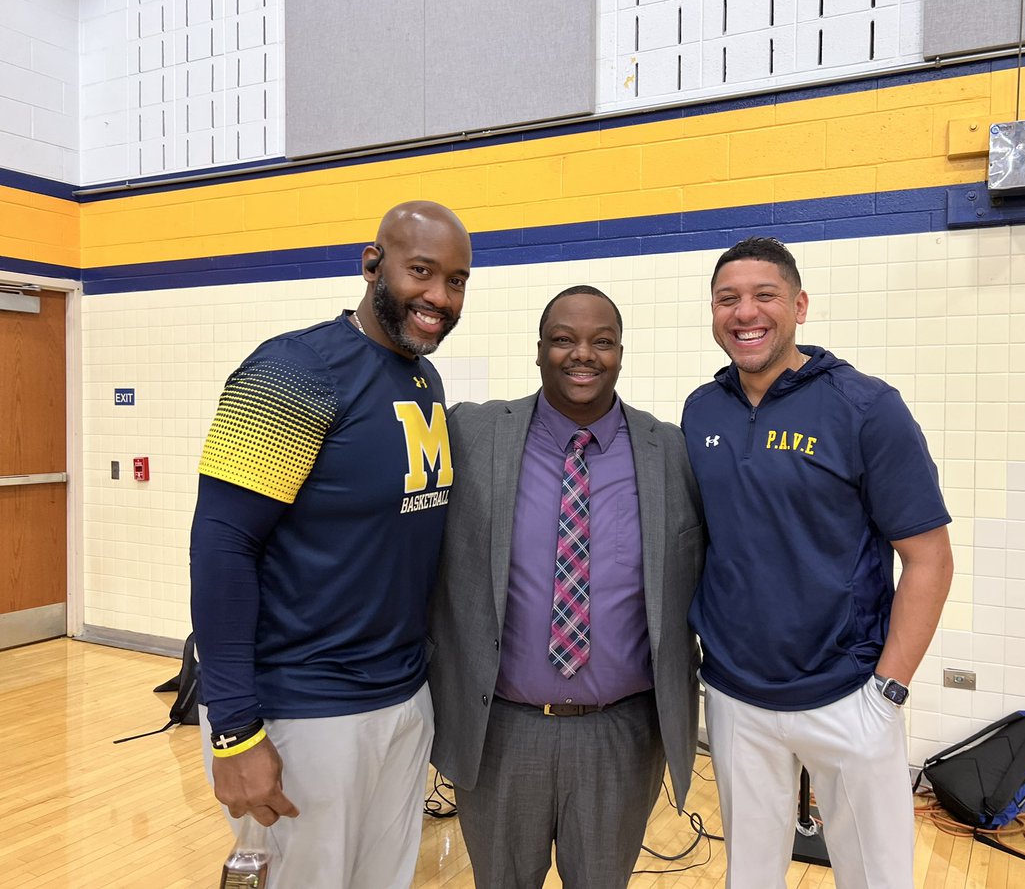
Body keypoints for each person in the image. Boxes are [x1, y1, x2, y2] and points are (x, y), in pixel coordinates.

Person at [189, 200, 472, 888]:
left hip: (401, 699)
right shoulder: (294, 369)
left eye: (457, 280)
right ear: (372, 263)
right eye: (421, 271)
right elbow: (221, 548)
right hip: (302, 711)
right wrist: (234, 730)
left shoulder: (422, 377)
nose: (439, 296)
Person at [682, 237, 954, 889]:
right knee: (750, 877)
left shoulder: (866, 407)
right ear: (714, 312)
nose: (745, 312)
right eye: (728, 299)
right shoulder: (700, 411)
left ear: (799, 305)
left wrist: (888, 692)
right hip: (734, 698)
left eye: (764, 296)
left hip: (849, 695)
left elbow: (929, 559)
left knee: (877, 879)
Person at [428, 285, 704, 889]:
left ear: (621, 353)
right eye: (564, 340)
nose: (584, 355)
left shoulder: (671, 452)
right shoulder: (471, 436)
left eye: (601, 342)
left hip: (620, 735)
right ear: (538, 351)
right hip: (500, 732)